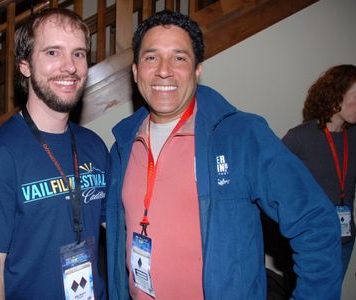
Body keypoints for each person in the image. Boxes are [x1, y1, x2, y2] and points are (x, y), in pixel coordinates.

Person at [105, 10, 342, 299]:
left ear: (197, 70)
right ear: (135, 70)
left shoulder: (241, 136)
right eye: (151, 57)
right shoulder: (122, 146)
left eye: (179, 58)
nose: (163, 70)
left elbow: (316, 222)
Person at [0, 8, 108, 299]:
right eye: (52, 53)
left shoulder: (95, 146)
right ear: (25, 66)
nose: (69, 67)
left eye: (78, 53)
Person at [283, 64, 356, 278]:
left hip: (345, 241)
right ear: (336, 96)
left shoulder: (355, 138)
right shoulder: (299, 138)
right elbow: (273, 188)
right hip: (311, 244)